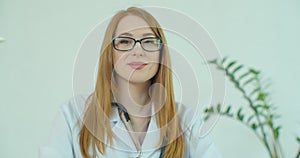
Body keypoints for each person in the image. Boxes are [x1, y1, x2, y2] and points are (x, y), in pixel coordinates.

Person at [39, 7, 222, 158]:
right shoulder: (72, 116)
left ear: (161, 54)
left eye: (148, 41)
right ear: (110, 53)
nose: (138, 50)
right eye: (125, 41)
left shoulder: (184, 120)